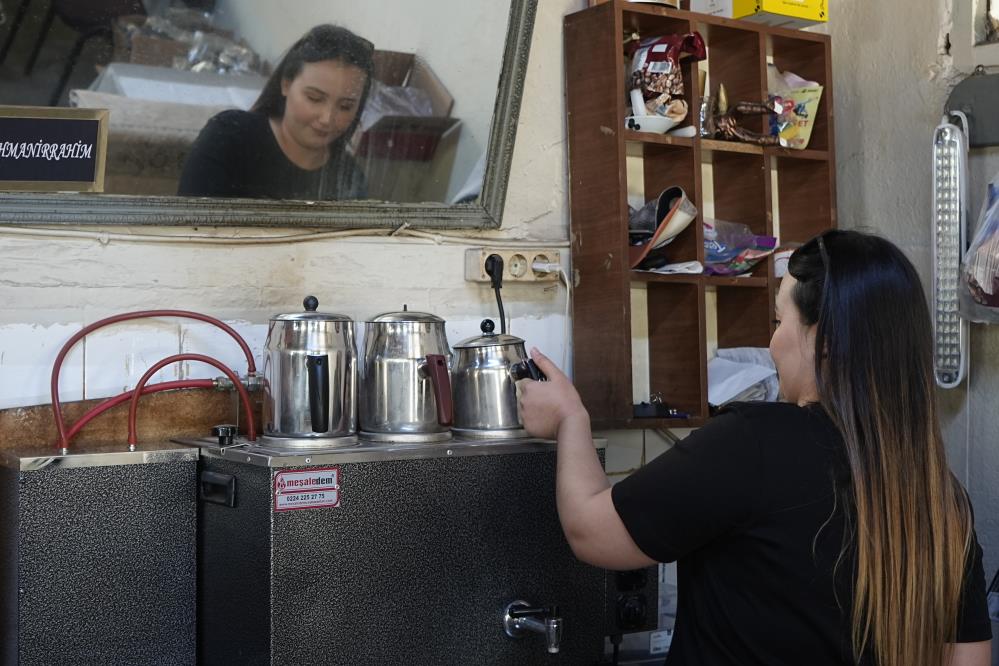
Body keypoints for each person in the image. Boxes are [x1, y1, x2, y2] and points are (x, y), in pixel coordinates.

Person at [518, 229, 993, 665]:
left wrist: (569, 419)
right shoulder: (939, 496)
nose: (771, 343)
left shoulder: (752, 442)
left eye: (780, 319)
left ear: (824, 341)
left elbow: (589, 531)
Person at [178, 24, 373, 201]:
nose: (327, 118)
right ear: (286, 84)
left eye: (345, 106)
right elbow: (187, 226)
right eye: (314, 98)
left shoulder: (349, 179)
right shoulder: (229, 137)